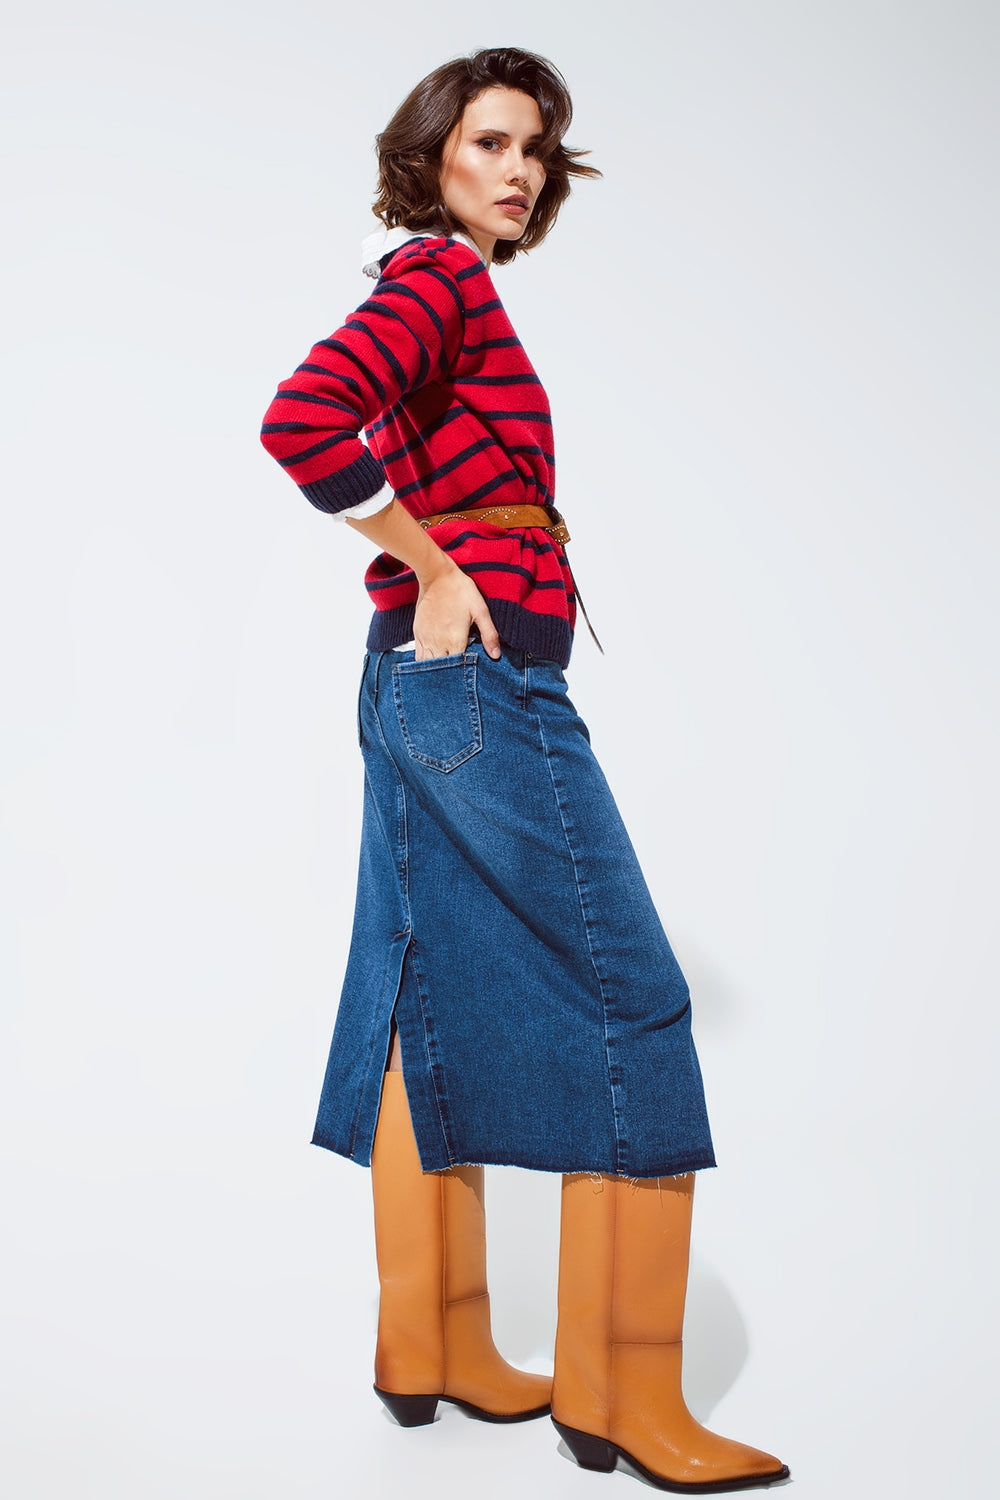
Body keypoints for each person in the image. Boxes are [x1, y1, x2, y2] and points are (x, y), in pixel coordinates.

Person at [260, 45, 790, 1493]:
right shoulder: (439, 280)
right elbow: (301, 423)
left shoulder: (438, 287)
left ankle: (433, 1346)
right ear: (432, 152)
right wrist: (432, 561)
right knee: (636, 1000)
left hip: (414, 692)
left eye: (537, 149)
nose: (519, 169)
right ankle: (627, 1396)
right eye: (490, 140)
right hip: (483, 688)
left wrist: (426, 570)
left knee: (417, 990)